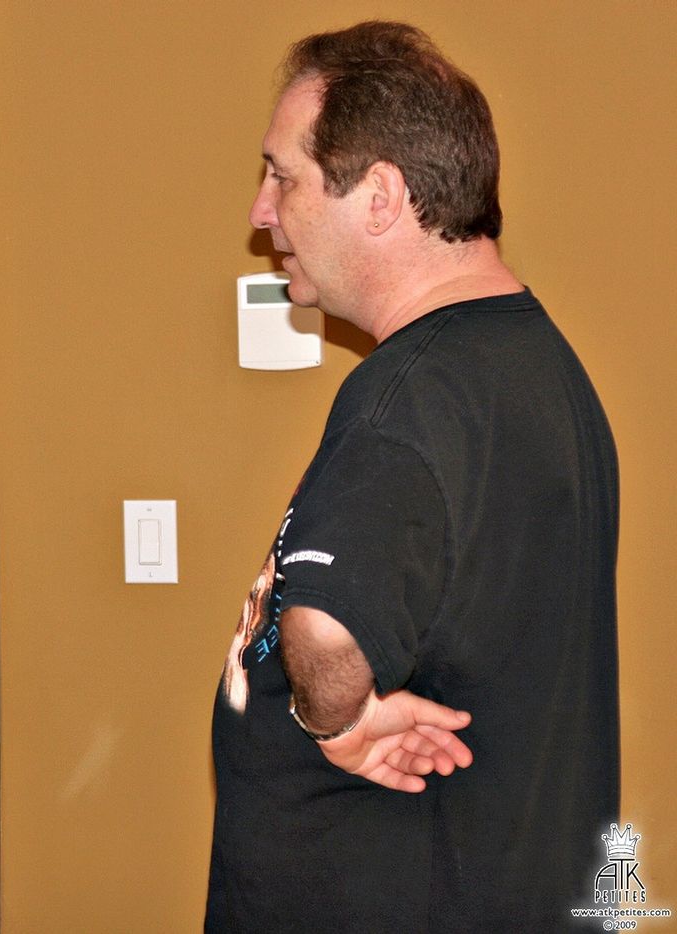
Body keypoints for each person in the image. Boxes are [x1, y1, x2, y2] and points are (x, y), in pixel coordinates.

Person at [207, 22, 618, 932]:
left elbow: (325, 627)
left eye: (283, 175)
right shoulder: (534, 362)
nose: (261, 211)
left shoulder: (406, 401)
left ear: (381, 197)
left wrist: (336, 724)